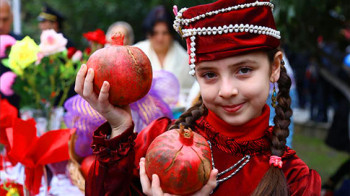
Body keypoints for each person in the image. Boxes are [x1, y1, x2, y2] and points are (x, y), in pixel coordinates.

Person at [75, 0, 321, 195]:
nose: (226, 90)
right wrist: (119, 126)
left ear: (275, 67)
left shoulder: (294, 179)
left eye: (244, 70)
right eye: (210, 74)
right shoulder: (158, 142)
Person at [134, 5, 195, 105]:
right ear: (148, 33)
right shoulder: (136, 53)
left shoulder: (185, 59)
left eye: (165, 33)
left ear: (172, 34)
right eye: (155, 33)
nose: (160, 38)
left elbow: (189, 94)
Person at [0, 0, 23, 110]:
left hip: (17, 111)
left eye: (5, 19)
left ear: (12, 18)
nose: (1, 25)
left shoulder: (22, 44)